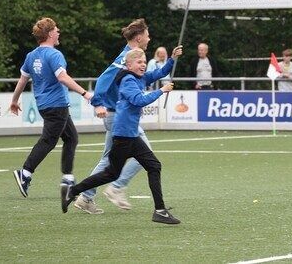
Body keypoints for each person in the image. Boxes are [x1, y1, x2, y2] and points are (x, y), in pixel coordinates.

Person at [62, 47, 182, 224]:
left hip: (130, 135)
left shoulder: (140, 77)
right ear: (128, 65)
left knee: (153, 166)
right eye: (138, 62)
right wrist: (161, 91)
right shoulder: (127, 80)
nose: (142, 65)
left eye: (143, 62)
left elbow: (160, 72)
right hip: (124, 135)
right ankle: (73, 191)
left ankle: (160, 211)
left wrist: (172, 59)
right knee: (111, 174)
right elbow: (138, 100)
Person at [75, 18, 156, 214]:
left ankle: (85, 197)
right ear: (138, 38)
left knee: (108, 159)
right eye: (147, 35)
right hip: (119, 117)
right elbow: (103, 79)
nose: (149, 38)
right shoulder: (123, 60)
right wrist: (97, 102)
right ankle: (117, 187)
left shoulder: (128, 57)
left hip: (115, 116)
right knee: (146, 156)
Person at [11, 17, 93, 198]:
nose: (58, 32)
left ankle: (68, 178)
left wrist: (14, 100)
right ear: (49, 34)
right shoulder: (55, 55)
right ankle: (25, 173)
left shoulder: (31, 56)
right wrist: (85, 93)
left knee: (71, 138)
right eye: (56, 29)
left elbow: (22, 80)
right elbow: (62, 77)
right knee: (48, 141)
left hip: (45, 105)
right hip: (57, 105)